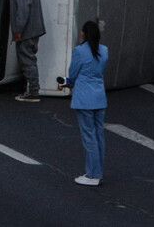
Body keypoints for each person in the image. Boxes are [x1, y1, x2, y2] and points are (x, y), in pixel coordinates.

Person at [60, 20, 109, 187]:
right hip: (99, 97)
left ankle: (92, 174)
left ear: (84, 34)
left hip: (84, 99)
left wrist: (67, 82)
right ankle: (99, 172)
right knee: (99, 135)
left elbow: (72, 74)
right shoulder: (104, 51)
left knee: (89, 137)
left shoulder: (80, 51)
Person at [5, 0, 45, 102]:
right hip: (35, 27)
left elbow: (23, 8)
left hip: (27, 30)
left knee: (27, 60)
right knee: (30, 58)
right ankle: (31, 89)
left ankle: (32, 92)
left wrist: (18, 31)